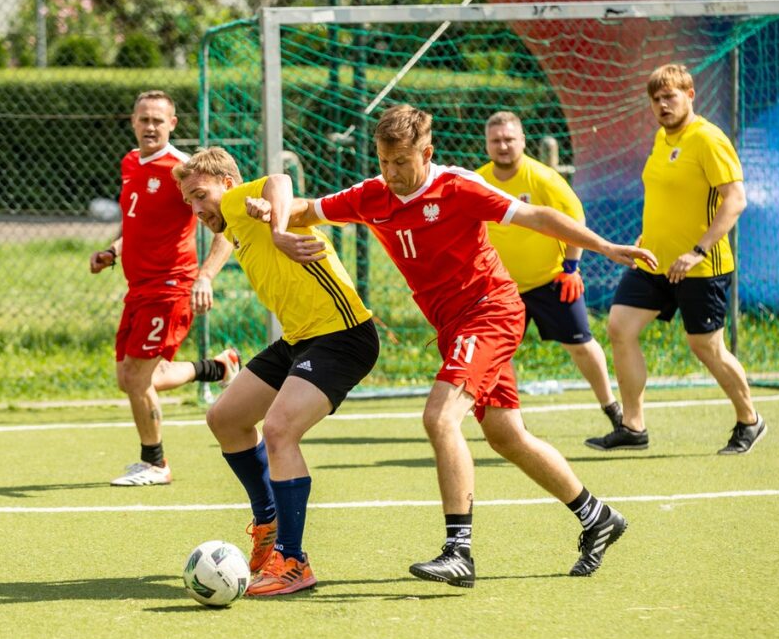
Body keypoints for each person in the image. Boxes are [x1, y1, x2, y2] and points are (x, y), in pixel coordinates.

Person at [272, 104, 657, 588]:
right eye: (384, 161)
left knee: (439, 417)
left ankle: (459, 552)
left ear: (426, 153)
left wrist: (606, 247)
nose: (391, 173)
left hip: (490, 312)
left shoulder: (456, 186)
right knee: (506, 436)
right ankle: (597, 516)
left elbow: (536, 215)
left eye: (401, 162)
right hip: (454, 328)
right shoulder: (372, 195)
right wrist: (271, 214)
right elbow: (305, 207)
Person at [173, 147, 379, 597]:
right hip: (300, 339)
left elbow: (279, 181)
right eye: (189, 201)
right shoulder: (236, 218)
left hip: (342, 335)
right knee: (226, 419)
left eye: (200, 195)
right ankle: (268, 522)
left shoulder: (235, 203)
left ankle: (293, 561)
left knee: (280, 429)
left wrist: (279, 227)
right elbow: (241, 221)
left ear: (228, 185)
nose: (196, 209)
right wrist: (259, 224)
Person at [584, 64, 767, 455]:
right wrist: (648, 236)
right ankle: (633, 427)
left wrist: (697, 251)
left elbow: (735, 200)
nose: (663, 105)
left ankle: (750, 420)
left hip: (700, 266)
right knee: (620, 327)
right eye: (656, 99)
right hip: (654, 261)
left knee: (705, 346)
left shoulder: (708, 139)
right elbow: (667, 195)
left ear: (690, 95)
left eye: (670, 96)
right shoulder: (661, 138)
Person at [89, 90, 236, 487]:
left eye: (158, 120)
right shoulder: (130, 162)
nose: (150, 126)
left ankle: (155, 463)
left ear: (172, 124)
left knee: (138, 378)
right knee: (129, 378)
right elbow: (139, 225)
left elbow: (227, 228)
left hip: (170, 287)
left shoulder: (183, 172)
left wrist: (205, 276)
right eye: (144, 119)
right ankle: (219, 367)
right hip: (138, 288)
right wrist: (112, 251)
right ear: (133, 122)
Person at [477, 111, 622, 434]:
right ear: (486, 144)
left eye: (509, 139)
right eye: (496, 140)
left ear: (522, 141)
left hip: (551, 281)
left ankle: (613, 409)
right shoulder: (478, 182)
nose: (503, 146)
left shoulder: (543, 179)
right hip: (500, 288)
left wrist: (571, 268)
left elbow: (575, 221)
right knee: (497, 354)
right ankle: (514, 425)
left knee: (581, 345)